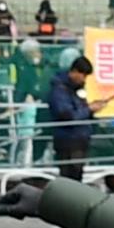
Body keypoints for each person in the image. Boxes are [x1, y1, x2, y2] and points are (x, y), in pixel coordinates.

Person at [40, 53, 99, 182]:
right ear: (74, 72)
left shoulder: (74, 89)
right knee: (69, 177)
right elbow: (67, 116)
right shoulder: (59, 90)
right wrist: (89, 109)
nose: (84, 80)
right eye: (83, 75)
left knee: (76, 176)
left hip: (79, 139)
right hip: (68, 140)